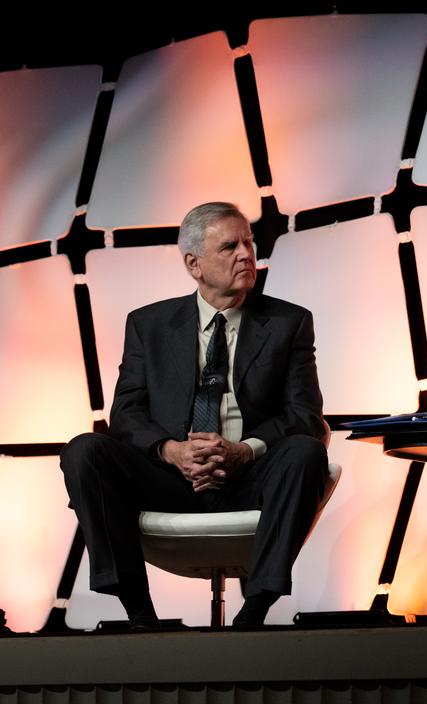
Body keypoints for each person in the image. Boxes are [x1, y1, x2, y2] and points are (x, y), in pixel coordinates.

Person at [60, 202, 329, 628]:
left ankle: (256, 609)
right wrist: (172, 452)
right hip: (168, 478)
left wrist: (243, 450)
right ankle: (139, 613)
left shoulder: (288, 322)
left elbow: (305, 417)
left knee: (305, 451)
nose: (246, 254)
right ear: (194, 264)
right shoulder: (148, 325)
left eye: (248, 242)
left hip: (249, 476)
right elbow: (126, 416)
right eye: (229, 246)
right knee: (84, 451)